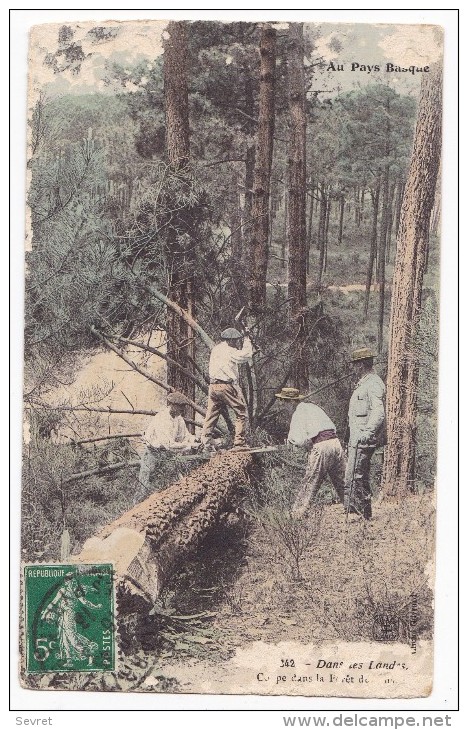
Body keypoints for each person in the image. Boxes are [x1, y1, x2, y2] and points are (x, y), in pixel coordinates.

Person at [275, 387, 346, 518]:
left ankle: (297, 513)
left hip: (322, 446)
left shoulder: (298, 412)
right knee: (342, 480)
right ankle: (353, 508)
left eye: (284, 402)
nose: (283, 406)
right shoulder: (314, 407)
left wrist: (292, 443)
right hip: (336, 444)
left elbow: (299, 440)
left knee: (311, 479)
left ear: (291, 402)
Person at [344, 347, 386, 521]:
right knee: (357, 475)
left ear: (361, 365)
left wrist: (368, 432)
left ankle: (362, 515)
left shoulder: (373, 383)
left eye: (355, 365)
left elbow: (378, 412)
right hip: (356, 438)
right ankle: (364, 513)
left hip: (364, 438)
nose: (353, 368)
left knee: (355, 475)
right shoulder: (364, 383)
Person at [201, 327, 253, 451]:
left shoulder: (216, 350)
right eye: (235, 341)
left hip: (213, 387)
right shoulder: (229, 351)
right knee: (241, 412)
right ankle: (239, 442)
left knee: (211, 414)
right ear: (230, 340)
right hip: (225, 385)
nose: (236, 343)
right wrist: (247, 339)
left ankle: (206, 442)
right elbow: (245, 355)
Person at [40, 573, 102, 668]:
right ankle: (69, 660)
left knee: (72, 638)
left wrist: (95, 607)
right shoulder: (62, 590)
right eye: (70, 580)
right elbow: (53, 602)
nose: (72, 582)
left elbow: (84, 602)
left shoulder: (76, 591)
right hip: (62, 615)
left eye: (73, 580)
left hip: (69, 615)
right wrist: (44, 614)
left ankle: (90, 654)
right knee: (64, 638)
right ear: (66, 581)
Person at [139, 390, 197, 489]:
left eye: (183, 406)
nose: (183, 409)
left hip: (167, 455)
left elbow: (184, 436)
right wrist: (189, 446)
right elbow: (169, 445)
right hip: (153, 454)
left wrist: (195, 440)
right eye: (180, 406)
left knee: (168, 486)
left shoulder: (178, 418)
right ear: (172, 405)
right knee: (146, 486)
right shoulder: (162, 418)